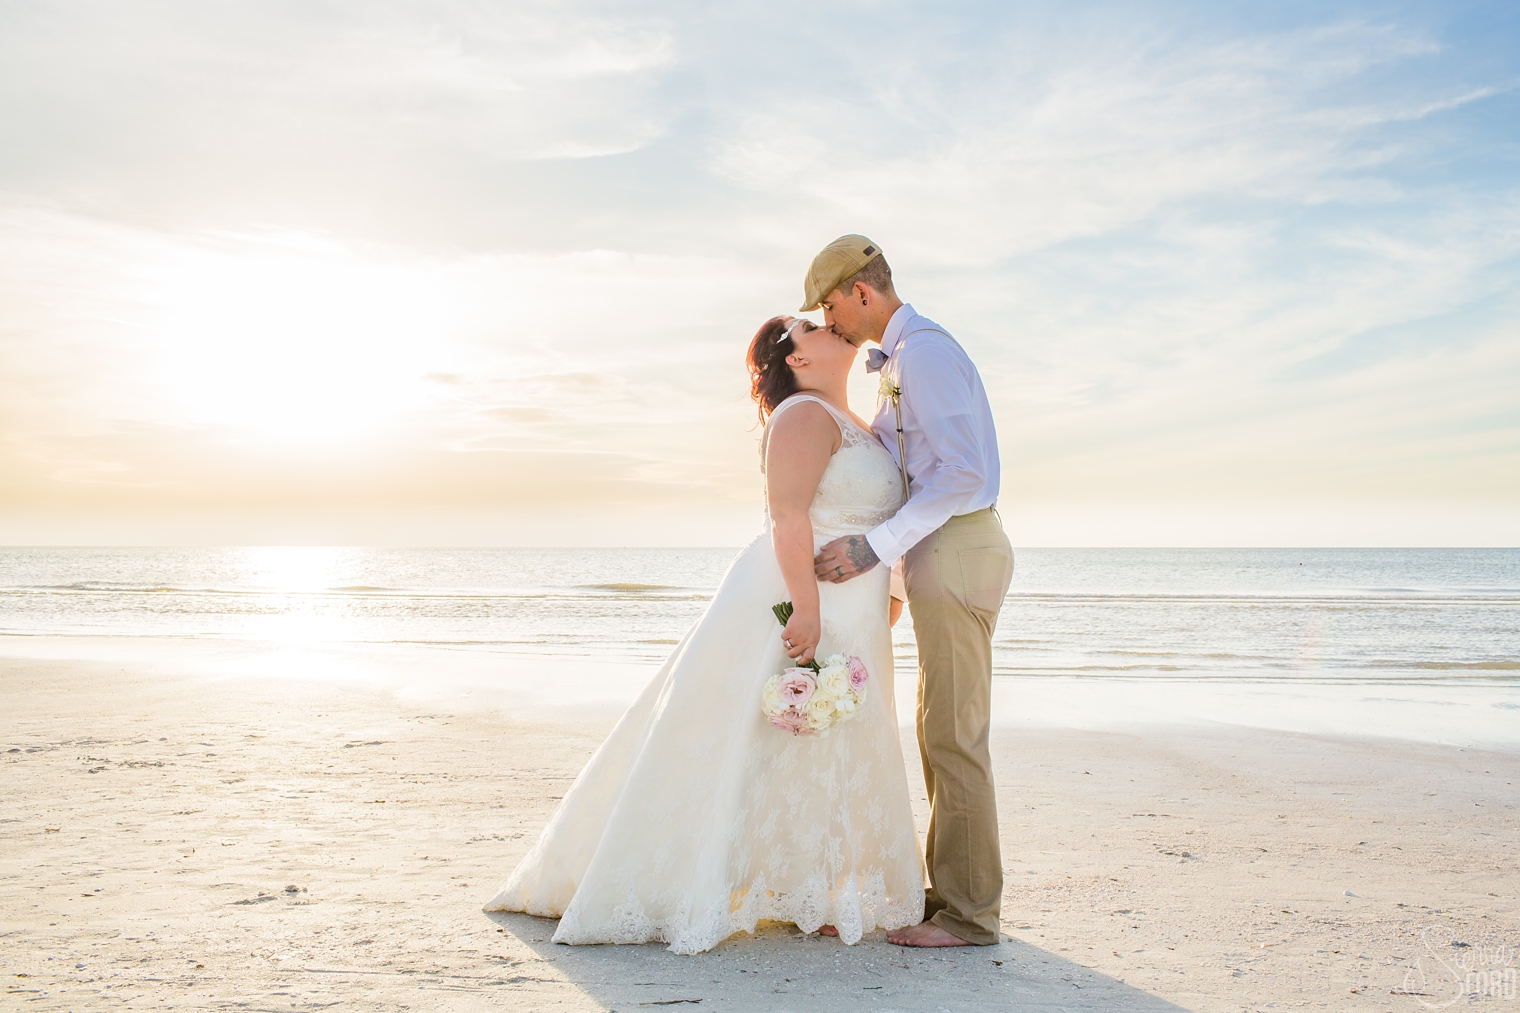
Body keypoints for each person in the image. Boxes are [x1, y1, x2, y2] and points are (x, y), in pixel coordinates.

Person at [483, 314, 925, 954]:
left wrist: (889, 600)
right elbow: (787, 514)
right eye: (811, 326)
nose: (830, 324)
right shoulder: (803, 414)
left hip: (855, 606)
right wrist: (806, 605)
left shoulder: (865, 425)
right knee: (755, 735)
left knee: (832, 736)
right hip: (796, 594)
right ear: (796, 360)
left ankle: (821, 885)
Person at [807, 235, 1012, 949]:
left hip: (958, 548)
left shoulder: (923, 353)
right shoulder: (899, 360)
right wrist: (894, 580)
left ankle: (969, 914)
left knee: (955, 735)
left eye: (830, 305)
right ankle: (948, 890)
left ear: (861, 291)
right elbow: (909, 475)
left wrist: (873, 549)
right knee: (938, 732)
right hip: (937, 555)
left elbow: (958, 475)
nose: (828, 321)